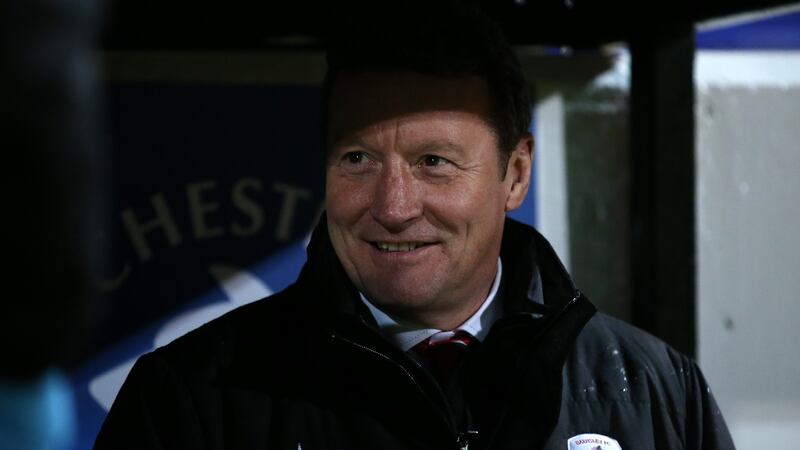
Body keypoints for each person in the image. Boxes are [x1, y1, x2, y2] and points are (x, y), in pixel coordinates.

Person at [95, 2, 734, 449]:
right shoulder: (186, 401)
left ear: (515, 174)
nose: (394, 206)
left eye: (433, 162)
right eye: (358, 159)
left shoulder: (655, 393)